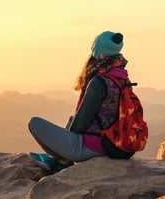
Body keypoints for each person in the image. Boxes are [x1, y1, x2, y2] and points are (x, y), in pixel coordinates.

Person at [28, 30, 129, 172]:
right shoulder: (122, 78)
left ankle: (59, 159)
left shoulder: (99, 82)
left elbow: (80, 125)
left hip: (89, 147)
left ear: (98, 52)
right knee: (71, 119)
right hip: (113, 143)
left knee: (34, 123)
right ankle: (57, 159)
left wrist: (64, 141)